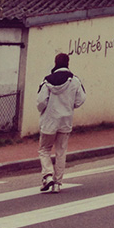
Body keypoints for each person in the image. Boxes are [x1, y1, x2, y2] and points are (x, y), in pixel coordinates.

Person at [36, 52, 86, 193]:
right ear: (68, 63)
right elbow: (81, 99)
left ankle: (48, 176)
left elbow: (41, 101)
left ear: (55, 63)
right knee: (61, 152)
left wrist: (43, 110)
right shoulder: (75, 80)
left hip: (49, 120)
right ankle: (57, 183)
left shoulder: (47, 81)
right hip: (65, 121)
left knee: (44, 149)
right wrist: (70, 106)